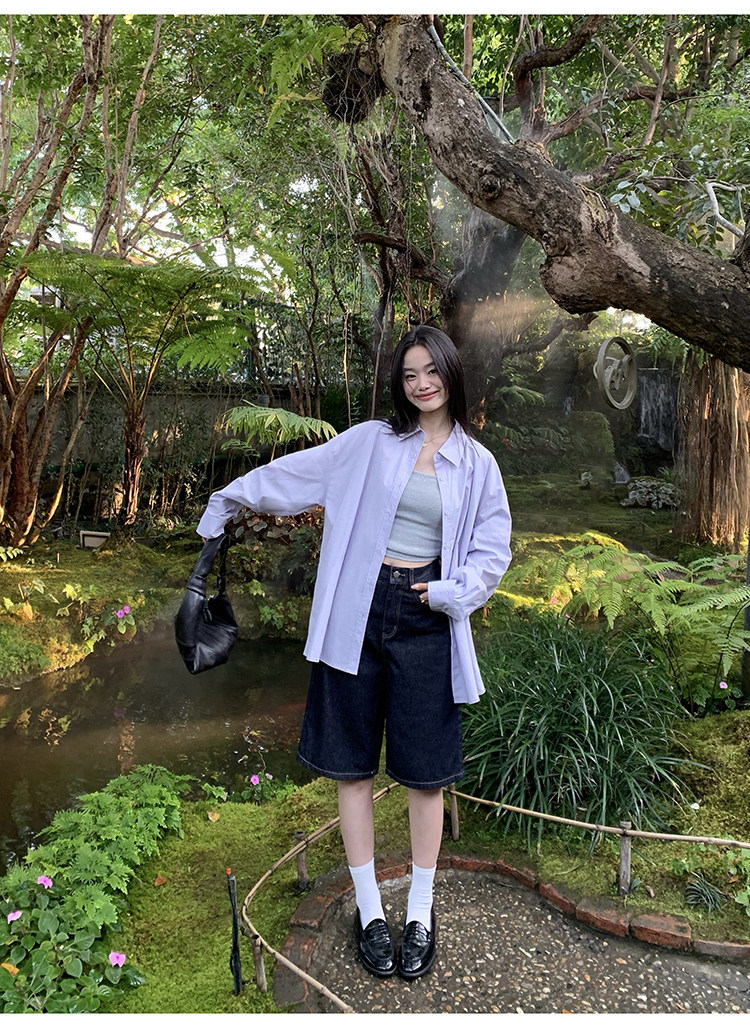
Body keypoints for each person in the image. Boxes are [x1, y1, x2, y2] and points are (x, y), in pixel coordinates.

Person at [197, 325, 512, 980]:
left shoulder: (478, 464)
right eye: (410, 375)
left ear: (452, 373)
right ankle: (369, 910)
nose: (422, 384)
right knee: (353, 769)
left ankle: (419, 912)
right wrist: (228, 499)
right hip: (358, 613)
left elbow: (492, 548)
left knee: (426, 775)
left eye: (432, 371)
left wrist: (452, 592)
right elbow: (298, 474)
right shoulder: (372, 442)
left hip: (427, 616)